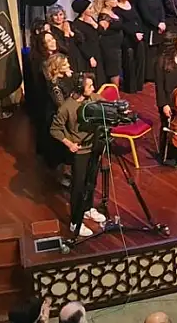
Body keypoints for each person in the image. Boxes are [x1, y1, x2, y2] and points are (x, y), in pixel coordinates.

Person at [50, 73, 107, 237]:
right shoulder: (67, 107)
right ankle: (76, 221)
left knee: (91, 182)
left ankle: (88, 209)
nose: (93, 88)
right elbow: (54, 129)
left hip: (94, 147)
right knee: (78, 187)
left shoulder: (93, 98)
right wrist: (69, 144)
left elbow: (107, 105)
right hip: (80, 152)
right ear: (81, 88)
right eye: (90, 86)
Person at [153, 33, 177, 167]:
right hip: (168, 99)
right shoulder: (161, 61)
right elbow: (159, 86)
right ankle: (167, 155)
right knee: (168, 127)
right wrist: (164, 105)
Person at [135, 0, 167, 81]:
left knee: (158, 51)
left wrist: (162, 22)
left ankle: (157, 72)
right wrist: (157, 24)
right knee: (151, 53)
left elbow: (161, 9)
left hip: (159, 27)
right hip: (150, 28)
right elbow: (145, 14)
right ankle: (150, 75)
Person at [70, 0, 104, 85]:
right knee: (94, 77)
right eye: (90, 8)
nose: (92, 10)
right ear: (83, 11)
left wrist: (94, 24)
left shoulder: (91, 19)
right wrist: (90, 57)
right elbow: (81, 43)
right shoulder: (76, 24)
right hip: (88, 55)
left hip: (97, 51)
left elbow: (102, 31)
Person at [95, 0, 123, 86]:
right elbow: (102, 30)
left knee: (116, 68)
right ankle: (115, 94)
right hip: (109, 46)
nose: (116, 1)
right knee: (113, 69)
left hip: (115, 45)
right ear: (107, 3)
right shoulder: (104, 15)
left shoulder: (111, 12)